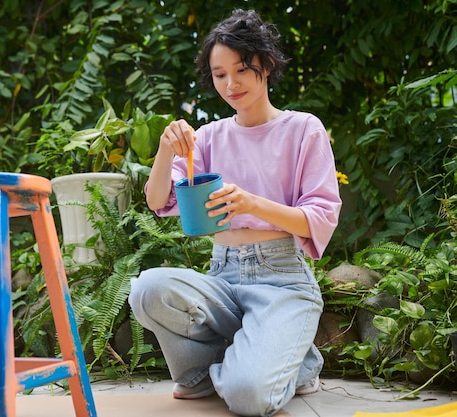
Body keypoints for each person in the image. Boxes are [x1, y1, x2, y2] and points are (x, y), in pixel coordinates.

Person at [128, 9, 341, 417]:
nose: (231, 83)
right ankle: (218, 369)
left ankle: (296, 363)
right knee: (146, 289)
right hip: (221, 276)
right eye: (219, 74)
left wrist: (252, 203)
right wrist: (164, 150)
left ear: (267, 64)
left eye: (242, 69)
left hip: (282, 281)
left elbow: (320, 217)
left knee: (247, 398)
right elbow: (159, 201)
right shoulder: (208, 137)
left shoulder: (303, 129)